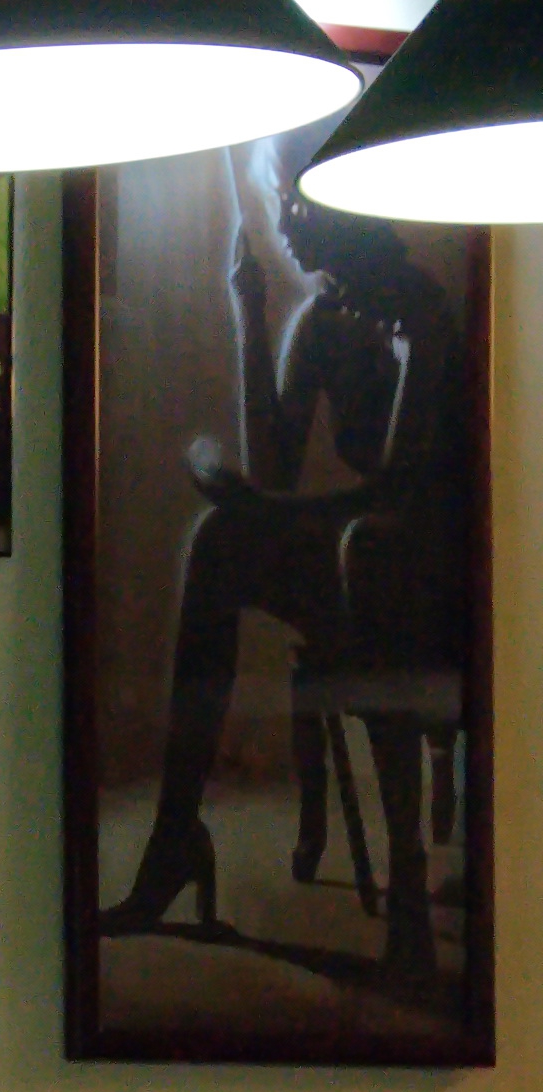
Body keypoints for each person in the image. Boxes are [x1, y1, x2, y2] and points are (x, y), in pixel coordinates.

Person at [101, 144, 471, 981]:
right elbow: (273, 470)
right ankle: (175, 840)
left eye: (295, 206)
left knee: (365, 550)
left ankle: (409, 885)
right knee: (218, 540)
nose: (285, 229)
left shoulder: (421, 315)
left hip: (437, 587)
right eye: (277, 206)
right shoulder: (324, 320)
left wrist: (267, 509)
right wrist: (249, 313)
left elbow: (402, 489)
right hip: (362, 559)